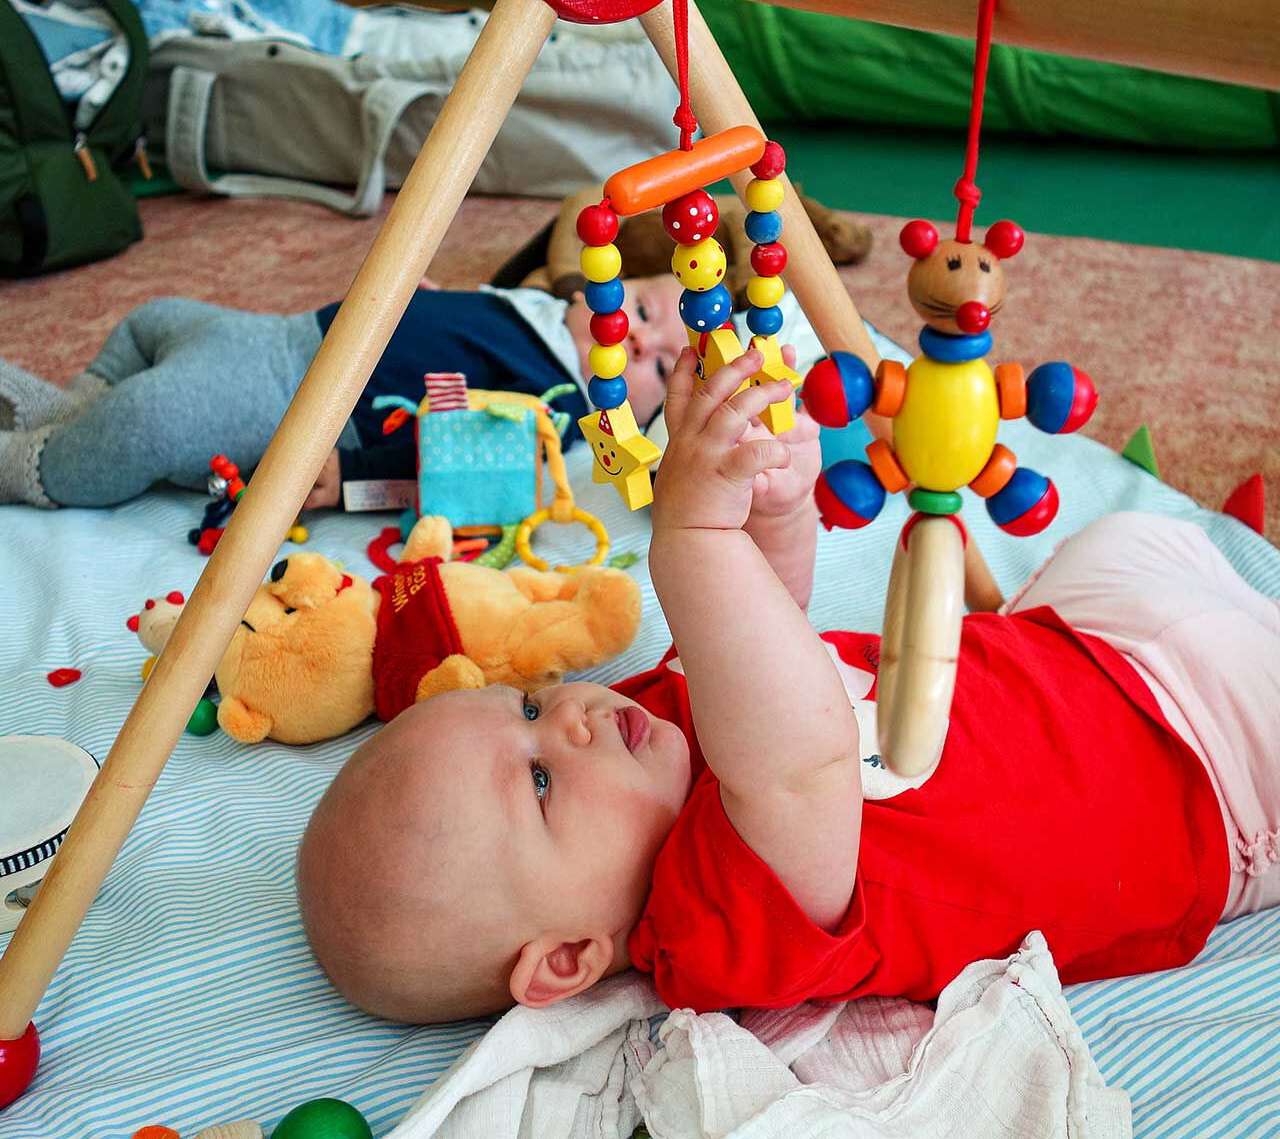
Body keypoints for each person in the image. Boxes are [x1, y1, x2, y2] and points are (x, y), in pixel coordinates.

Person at [296, 344, 1280, 1023]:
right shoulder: (711, 921)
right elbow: (800, 754)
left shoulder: (652, 725)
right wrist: (689, 537)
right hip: (1208, 779)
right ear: (565, 957)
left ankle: (1230, 553)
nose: (572, 717)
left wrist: (767, 491)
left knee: (1125, 535)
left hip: (1070, 645)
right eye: (541, 781)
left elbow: (764, 608)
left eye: (526, 705)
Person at [0, 276, 687, 509]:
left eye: (656, 371)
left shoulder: (559, 404)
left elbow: (470, 457)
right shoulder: (530, 304)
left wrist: (354, 475)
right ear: (596, 285)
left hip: (298, 397)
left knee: (151, 421)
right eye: (649, 312)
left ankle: (34, 467)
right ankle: (70, 414)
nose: (641, 343)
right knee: (153, 318)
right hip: (281, 332)